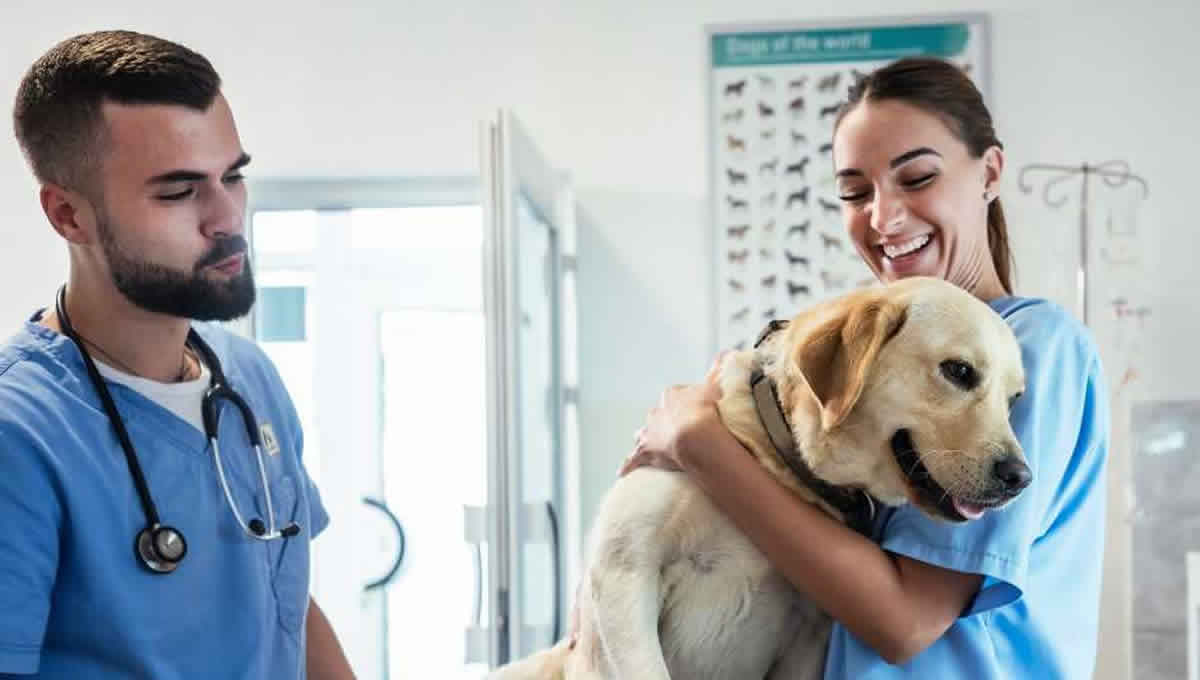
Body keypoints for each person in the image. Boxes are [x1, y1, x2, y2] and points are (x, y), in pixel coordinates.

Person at [621, 57, 1110, 679]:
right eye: (855, 192)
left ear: (989, 172)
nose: (884, 217)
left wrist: (701, 443)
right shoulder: (874, 359)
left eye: (917, 177)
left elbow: (902, 623)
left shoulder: (1037, 344)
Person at [0, 31, 354, 679]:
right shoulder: (19, 436)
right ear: (69, 216)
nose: (227, 217)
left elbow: (286, 602)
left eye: (234, 176)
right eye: (178, 191)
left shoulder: (250, 379)